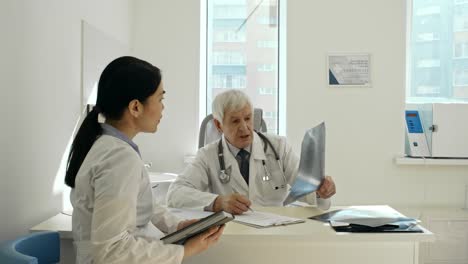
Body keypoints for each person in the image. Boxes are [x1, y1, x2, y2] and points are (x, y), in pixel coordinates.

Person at [65, 56, 224, 264]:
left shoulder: (106, 145)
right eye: (160, 99)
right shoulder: (119, 158)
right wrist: (184, 252)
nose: (163, 108)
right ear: (135, 107)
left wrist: (176, 226)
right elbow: (111, 251)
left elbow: (142, 204)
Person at [167, 89, 336, 215]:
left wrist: (321, 191)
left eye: (247, 118)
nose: (244, 128)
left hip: (275, 229)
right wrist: (218, 202)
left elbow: (307, 190)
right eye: (235, 121)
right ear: (219, 125)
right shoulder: (207, 155)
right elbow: (175, 194)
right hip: (232, 233)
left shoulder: (279, 146)